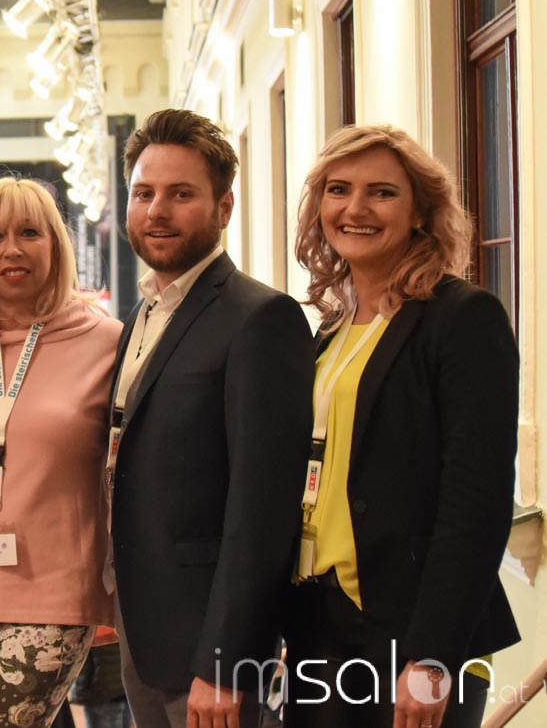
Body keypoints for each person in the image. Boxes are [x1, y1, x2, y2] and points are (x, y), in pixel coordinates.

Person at [284, 125, 519, 728]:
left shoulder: (462, 318)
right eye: (338, 189)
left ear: (420, 212)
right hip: (320, 620)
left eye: (382, 192)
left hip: (413, 628)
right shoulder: (332, 327)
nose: (355, 208)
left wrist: (433, 655)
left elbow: (477, 502)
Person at [109, 108, 313, 728]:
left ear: (224, 207)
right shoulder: (143, 314)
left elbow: (263, 511)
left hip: (209, 651)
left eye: (181, 194)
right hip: (144, 631)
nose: (157, 211)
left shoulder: (260, 318)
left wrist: (227, 662)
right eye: (144, 193)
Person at [0, 178, 123, 728]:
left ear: (56, 246)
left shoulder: (107, 343)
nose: (11, 249)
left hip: (53, 593)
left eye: (29, 233)